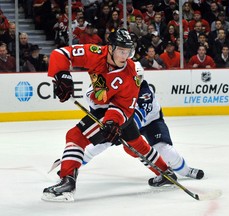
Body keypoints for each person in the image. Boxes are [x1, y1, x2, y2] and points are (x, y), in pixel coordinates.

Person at [42, 28, 177, 202]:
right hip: (106, 107)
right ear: (111, 48)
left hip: (116, 113)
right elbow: (61, 53)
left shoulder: (130, 74)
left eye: (128, 51)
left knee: (75, 137)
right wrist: (62, 75)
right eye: (121, 50)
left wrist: (112, 122)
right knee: (135, 146)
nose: (125, 55)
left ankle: (67, 184)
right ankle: (165, 172)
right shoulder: (95, 53)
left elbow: (123, 106)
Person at [83, 62, 205, 180]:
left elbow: (138, 116)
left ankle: (186, 171)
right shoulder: (115, 85)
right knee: (98, 144)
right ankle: (70, 167)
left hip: (151, 122)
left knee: (163, 148)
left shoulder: (145, 94)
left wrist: (121, 130)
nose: (136, 80)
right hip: (123, 122)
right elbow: (93, 98)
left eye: (139, 77)